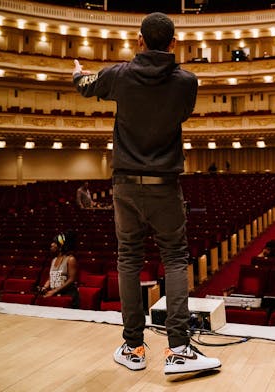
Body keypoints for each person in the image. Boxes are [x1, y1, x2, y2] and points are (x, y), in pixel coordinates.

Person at [72, 12, 221, 376]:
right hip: (164, 186)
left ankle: (133, 346)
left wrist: (78, 73)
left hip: (124, 185)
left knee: (129, 259)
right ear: (173, 44)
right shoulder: (187, 82)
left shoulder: (118, 75)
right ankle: (179, 349)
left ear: (140, 40)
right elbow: (181, 113)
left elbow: (85, 85)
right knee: (173, 258)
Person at [39, 230, 79, 308]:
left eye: (54, 243)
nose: (51, 245)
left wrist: (54, 291)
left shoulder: (70, 259)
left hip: (68, 296)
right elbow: (51, 277)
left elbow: (71, 280)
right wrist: (44, 287)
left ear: (61, 246)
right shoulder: (53, 260)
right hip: (55, 294)